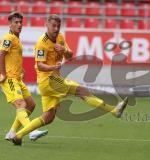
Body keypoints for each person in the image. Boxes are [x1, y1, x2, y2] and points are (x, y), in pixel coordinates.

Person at [11, 14, 128, 146]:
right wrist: (53, 67)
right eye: (53, 26)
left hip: (51, 82)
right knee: (82, 91)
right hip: (48, 80)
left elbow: (70, 55)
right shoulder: (41, 43)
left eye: (58, 26)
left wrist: (64, 50)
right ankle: (114, 111)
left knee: (48, 117)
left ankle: (18, 136)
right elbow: (39, 65)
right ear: (47, 25)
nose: (56, 29)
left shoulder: (60, 37)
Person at [0, 12, 48, 141]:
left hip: (17, 78)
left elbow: (12, 57)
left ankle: (11, 132)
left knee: (31, 104)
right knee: (21, 104)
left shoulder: (16, 38)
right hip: (9, 79)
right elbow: (2, 54)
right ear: (10, 24)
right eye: (16, 22)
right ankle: (31, 131)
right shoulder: (8, 38)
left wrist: (21, 69)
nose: (19, 24)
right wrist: (3, 73)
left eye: (21, 22)